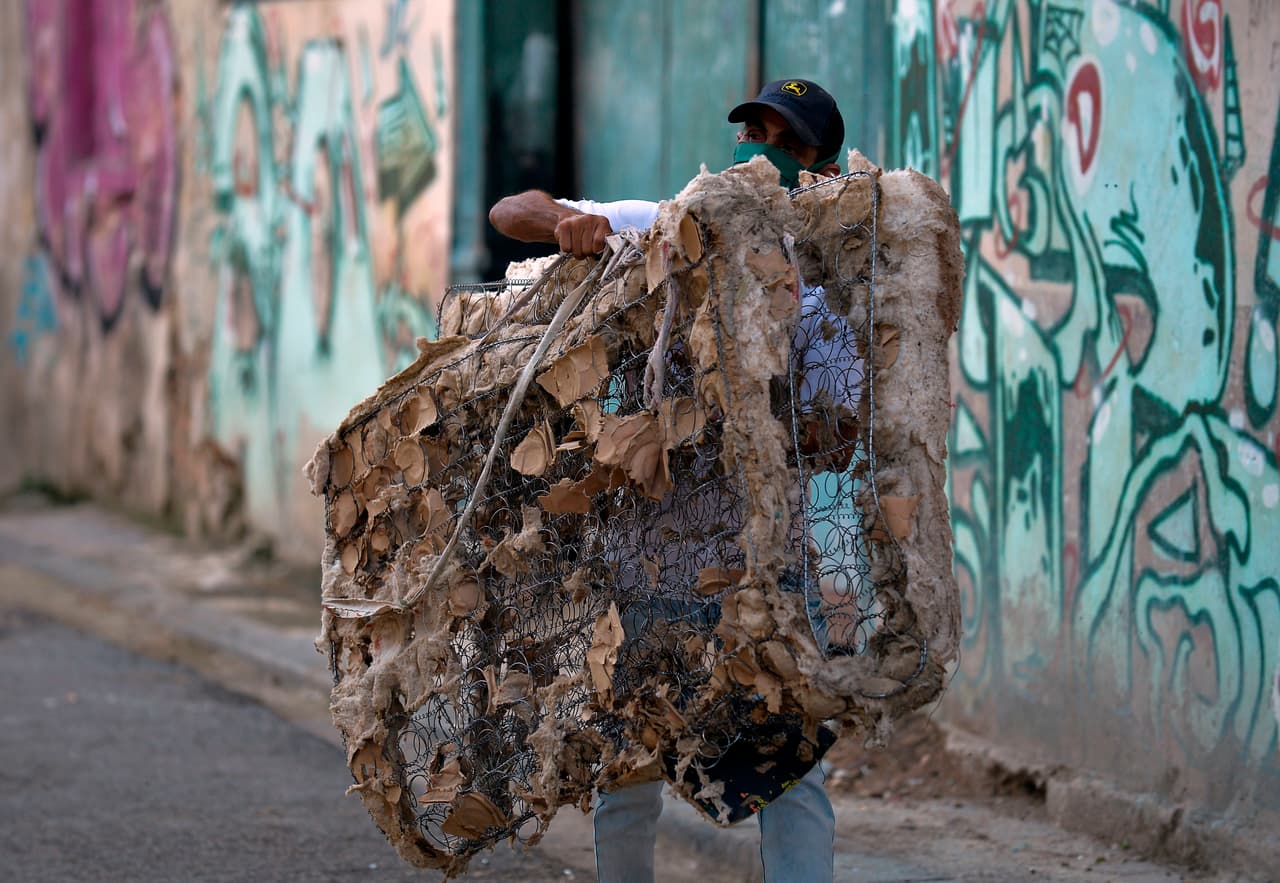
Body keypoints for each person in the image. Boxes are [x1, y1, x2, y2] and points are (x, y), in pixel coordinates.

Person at [489, 79, 852, 883]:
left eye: (786, 146)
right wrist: (567, 225)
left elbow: (838, 440)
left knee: (792, 771)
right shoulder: (658, 228)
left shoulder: (821, 297)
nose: (760, 154)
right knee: (627, 771)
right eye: (751, 133)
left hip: (762, 575)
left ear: (821, 174)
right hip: (646, 563)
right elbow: (510, 210)